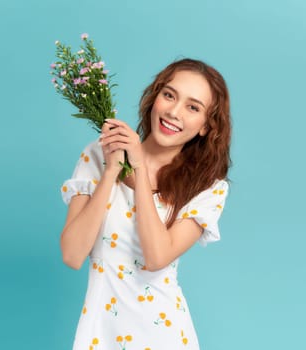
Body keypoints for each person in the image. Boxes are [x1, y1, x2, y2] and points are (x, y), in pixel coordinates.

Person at [60, 58, 231, 350]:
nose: (174, 112)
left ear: (206, 126)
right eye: (169, 95)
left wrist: (139, 170)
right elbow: (73, 255)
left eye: (193, 107)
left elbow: (156, 257)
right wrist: (113, 170)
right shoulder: (97, 156)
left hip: (164, 337)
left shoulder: (208, 189)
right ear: (155, 98)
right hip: (101, 335)